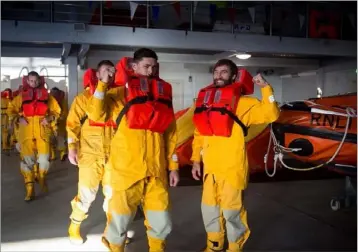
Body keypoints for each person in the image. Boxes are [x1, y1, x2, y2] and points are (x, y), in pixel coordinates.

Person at [87, 48, 180, 252]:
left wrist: (173, 166)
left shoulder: (161, 96)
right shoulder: (119, 93)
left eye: (154, 67)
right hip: (126, 171)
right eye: (146, 66)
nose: (151, 71)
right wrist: (103, 83)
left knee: (161, 222)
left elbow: (171, 133)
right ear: (134, 66)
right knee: (118, 222)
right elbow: (95, 115)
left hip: (155, 171)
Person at [191, 59, 280, 252]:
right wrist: (196, 159)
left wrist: (266, 89)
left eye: (224, 72)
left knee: (232, 213)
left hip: (232, 169)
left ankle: (234, 248)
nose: (219, 76)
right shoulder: (206, 102)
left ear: (233, 76)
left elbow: (271, 114)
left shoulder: (245, 103)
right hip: (210, 171)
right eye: (216, 72)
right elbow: (199, 133)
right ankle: (213, 247)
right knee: (209, 212)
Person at [67, 60, 127, 245]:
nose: (109, 73)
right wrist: (71, 148)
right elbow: (72, 125)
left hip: (114, 155)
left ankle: (112, 231)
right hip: (90, 154)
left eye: (112, 70)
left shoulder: (119, 97)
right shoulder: (83, 99)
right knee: (86, 194)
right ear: (97, 74)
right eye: (105, 70)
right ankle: (74, 225)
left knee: (113, 195)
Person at [7, 71, 61, 201]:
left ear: (39, 81)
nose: (33, 83)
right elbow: (11, 109)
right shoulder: (21, 96)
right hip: (26, 130)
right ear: (27, 81)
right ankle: (30, 190)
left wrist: (49, 118)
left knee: (45, 160)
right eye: (30, 81)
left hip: (42, 130)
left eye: (35, 81)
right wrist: (18, 119)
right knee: (27, 161)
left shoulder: (48, 97)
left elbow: (57, 111)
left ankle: (41, 177)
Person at [50, 87, 68, 161]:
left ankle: (61, 154)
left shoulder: (61, 101)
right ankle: (57, 154)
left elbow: (65, 112)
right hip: (52, 124)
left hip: (59, 124)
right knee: (53, 141)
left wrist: (60, 117)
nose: (54, 94)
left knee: (58, 140)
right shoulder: (49, 100)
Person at [1, 88, 13, 155]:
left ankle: (5, 145)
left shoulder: (4, 99)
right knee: (6, 132)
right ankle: (6, 146)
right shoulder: (8, 100)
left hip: (4, 117)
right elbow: (10, 110)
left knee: (5, 132)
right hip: (6, 117)